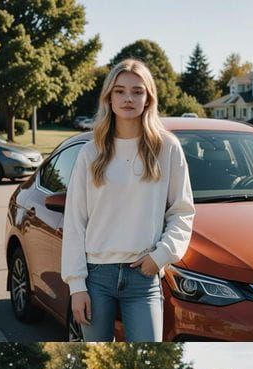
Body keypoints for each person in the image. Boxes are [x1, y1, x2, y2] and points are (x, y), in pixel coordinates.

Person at [62, 58, 194, 341]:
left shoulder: (167, 148)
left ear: (148, 99)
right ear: (108, 97)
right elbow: (75, 222)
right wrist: (76, 286)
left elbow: (182, 212)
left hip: (143, 278)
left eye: (137, 91)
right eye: (120, 91)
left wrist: (160, 257)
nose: (128, 98)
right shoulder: (90, 152)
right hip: (96, 277)